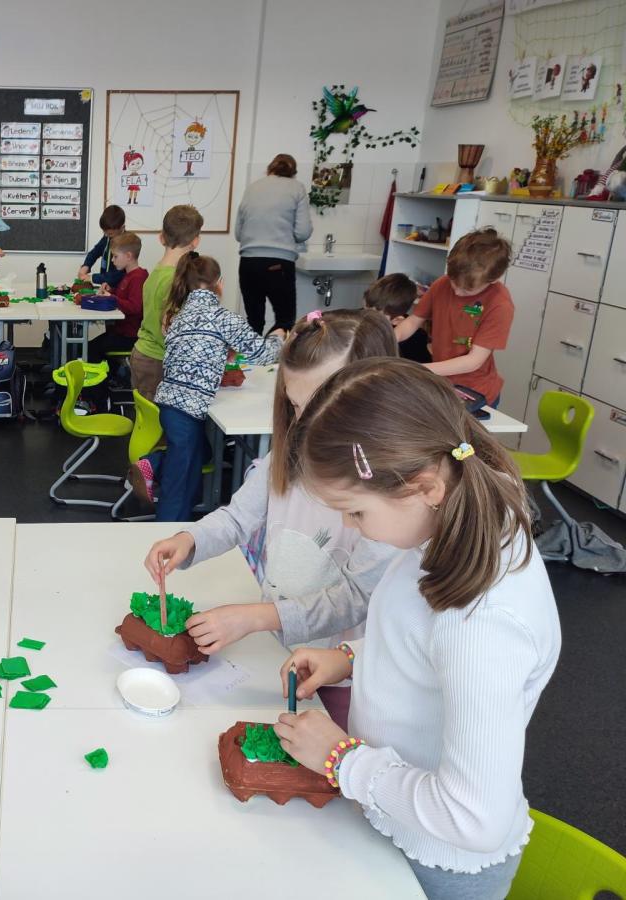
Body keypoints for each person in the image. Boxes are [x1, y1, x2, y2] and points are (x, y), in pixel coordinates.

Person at [273, 358, 559, 900]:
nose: (348, 526)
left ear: (423, 485)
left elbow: (474, 818)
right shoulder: (451, 519)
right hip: (389, 820)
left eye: (355, 512)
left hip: (435, 866)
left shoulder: (483, 623)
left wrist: (342, 759)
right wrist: (352, 657)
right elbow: (421, 637)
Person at [142, 308, 399, 727]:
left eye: (322, 407)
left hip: (338, 674)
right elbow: (237, 519)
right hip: (277, 647)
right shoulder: (287, 456)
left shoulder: (385, 498)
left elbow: (356, 597)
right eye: (296, 405)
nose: (305, 424)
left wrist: (255, 617)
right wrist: (190, 540)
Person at [132, 254, 283, 522]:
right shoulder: (222, 317)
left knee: (198, 460)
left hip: (169, 403)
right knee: (178, 488)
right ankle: (166, 534)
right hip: (188, 409)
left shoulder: (178, 316)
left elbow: (192, 350)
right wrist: (279, 338)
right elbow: (263, 354)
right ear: (219, 284)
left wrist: (220, 351)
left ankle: (155, 467)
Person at [395, 228, 514, 406]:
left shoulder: (499, 304)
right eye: (454, 282)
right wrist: (388, 338)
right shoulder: (442, 284)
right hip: (442, 382)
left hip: (474, 390)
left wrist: (416, 369)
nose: (457, 292)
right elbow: (412, 322)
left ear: (493, 280)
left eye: (467, 290)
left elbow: (473, 361)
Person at [130, 204, 203, 401]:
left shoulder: (156, 273)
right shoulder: (176, 281)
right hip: (158, 361)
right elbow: (170, 329)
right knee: (158, 419)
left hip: (144, 354)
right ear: (195, 241)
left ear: (161, 237)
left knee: (146, 417)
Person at [235, 154, 313, 334]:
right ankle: (273, 351)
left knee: (254, 321)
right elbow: (303, 232)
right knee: (285, 321)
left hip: (248, 263)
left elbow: (239, 234)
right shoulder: (297, 188)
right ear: (293, 173)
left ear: (269, 169)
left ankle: (253, 352)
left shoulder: (252, 188)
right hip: (278, 264)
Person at [88, 232, 148, 364]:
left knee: (91, 350)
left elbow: (135, 307)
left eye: (115, 256)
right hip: (119, 332)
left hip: (129, 336)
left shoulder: (138, 277)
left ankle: (104, 376)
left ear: (128, 256)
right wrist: (110, 290)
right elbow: (121, 295)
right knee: (90, 347)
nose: (112, 260)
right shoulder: (127, 275)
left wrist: (111, 298)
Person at [364, 273, 431, 364]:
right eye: (366, 309)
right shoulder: (359, 320)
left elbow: (419, 368)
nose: (366, 318)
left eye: (375, 316)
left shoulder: (415, 339)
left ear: (397, 320)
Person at [76, 204, 127, 290]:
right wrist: (86, 266)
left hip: (119, 289)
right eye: (104, 232)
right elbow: (94, 252)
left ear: (122, 228)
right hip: (105, 286)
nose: (106, 235)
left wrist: (92, 277)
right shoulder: (107, 238)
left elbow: (116, 275)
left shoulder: (126, 245)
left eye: (110, 233)